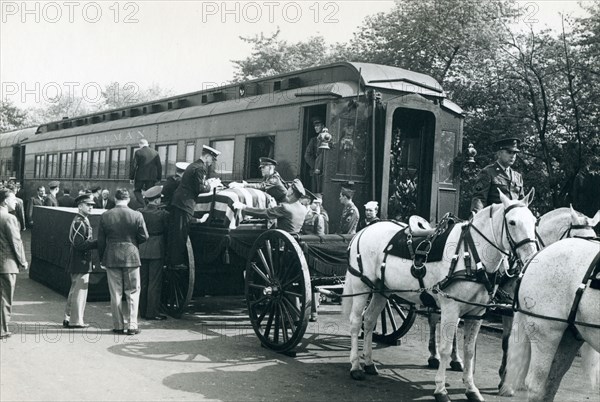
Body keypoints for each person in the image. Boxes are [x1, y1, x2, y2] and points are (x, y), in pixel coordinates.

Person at [98, 188, 148, 335]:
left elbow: (101, 241)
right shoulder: (137, 215)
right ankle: (132, 325)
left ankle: (118, 325)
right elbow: (144, 236)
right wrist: (133, 243)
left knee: (115, 293)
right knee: (133, 291)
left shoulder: (106, 215)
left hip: (112, 256)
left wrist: (102, 258)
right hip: (132, 256)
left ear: (115, 199)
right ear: (128, 199)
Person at [168, 145, 220, 267]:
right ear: (207, 156)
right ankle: (177, 263)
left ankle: (173, 260)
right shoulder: (200, 168)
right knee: (181, 232)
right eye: (212, 159)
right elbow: (200, 188)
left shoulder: (194, 165)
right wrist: (211, 186)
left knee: (176, 232)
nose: (211, 162)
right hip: (185, 203)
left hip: (180, 201)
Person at [63, 194, 98, 329]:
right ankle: (75, 321)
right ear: (79, 206)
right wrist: (97, 243)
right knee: (78, 292)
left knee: (75, 291)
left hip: (80, 261)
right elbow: (79, 244)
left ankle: (69, 318)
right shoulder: (80, 221)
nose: (91, 207)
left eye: (92, 205)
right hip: (80, 261)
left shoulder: (82, 220)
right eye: (88, 205)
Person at [137, 186, 169, 321]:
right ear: (157, 200)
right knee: (154, 283)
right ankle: (152, 312)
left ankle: (142, 311)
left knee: (143, 282)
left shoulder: (140, 212)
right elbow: (168, 232)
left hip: (142, 248)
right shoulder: (163, 214)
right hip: (157, 249)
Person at [0, 188, 28, 339]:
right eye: (13, 199)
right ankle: (2, 329)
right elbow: (16, 242)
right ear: (5, 200)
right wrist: (22, 260)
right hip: (6, 264)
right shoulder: (9, 218)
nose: (16, 202)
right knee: (5, 297)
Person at [470, 138, 525, 213]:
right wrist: (476, 215)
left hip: (513, 220)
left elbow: (522, 201)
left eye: (514, 153)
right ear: (499, 154)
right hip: (494, 219)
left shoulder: (517, 177)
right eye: (509, 152)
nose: (512, 156)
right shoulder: (488, 172)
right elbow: (480, 198)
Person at [233, 179, 307, 234]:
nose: (287, 190)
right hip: (294, 242)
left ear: (291, 192)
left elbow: (266, 213)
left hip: (280, 243)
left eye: (289, 188)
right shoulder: (303, 209)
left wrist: (244, 208)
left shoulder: (285, 207)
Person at [130, 138, 162, 206]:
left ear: (140, 145)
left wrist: (131, 178)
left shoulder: (138, 152)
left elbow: (134, 166)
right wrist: (159, 178)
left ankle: (143, 205)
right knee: (150, 192)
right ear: (148, 144)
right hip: (152, 177)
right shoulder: (155, 152)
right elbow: (159, 166)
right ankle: (148, 206)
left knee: (137, 191)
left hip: (140, 177)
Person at [304, 117, 327, 193]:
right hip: (315, 171)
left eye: (318, 126)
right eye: (315, 126)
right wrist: (315, 166)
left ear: (323, 126)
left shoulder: (327, 138)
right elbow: (307, 155)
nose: (316, 128)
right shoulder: (313, 140)